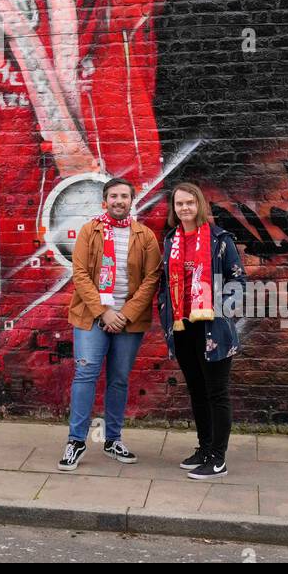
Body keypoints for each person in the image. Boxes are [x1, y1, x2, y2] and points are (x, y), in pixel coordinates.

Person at [58, 177, 162, 470]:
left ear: (131, 201)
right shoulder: (89, 231)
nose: (119, 201)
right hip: (92, 316)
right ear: (105, 201)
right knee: (85, 374)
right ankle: (76, 441)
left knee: (118, 379)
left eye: (124, 196)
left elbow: (151, 278)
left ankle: (112, 439)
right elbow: (79, 274)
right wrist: (104, 311)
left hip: (129, 319)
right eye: (114, 196)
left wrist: (124, 314)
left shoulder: (145, 236)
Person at [158, 181, 246, 479]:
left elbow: (237, 283)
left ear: (200, 205)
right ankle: (205, 448)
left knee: (217, 392)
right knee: (197, 391)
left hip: (213, 330)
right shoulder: (171, 240)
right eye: (179, 204)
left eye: (189, 203)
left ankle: (218, 459)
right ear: (174, 208)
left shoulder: (220, 239)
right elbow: (164, 284)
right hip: (183, 328)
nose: (184, 208)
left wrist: (220, 314)